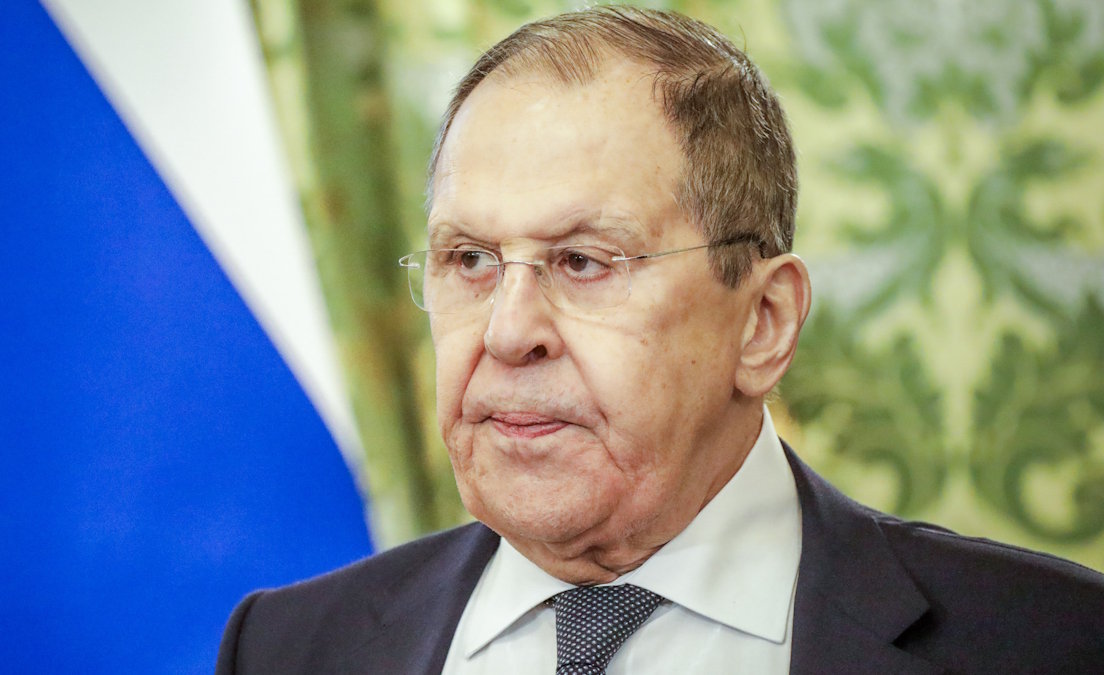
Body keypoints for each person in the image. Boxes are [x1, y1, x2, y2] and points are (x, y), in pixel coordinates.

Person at [216, 6, 1104, 673]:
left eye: (584, 261)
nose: (509, 331)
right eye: (471, 260)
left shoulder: (1053, 641)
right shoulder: (285, 647)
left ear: (763, 322)